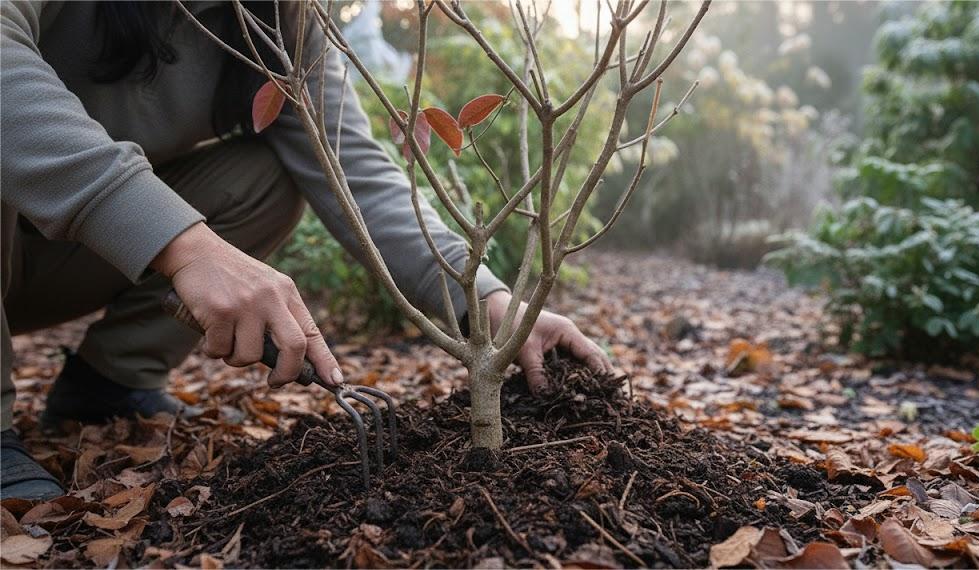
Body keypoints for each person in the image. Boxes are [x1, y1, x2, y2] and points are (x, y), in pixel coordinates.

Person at [0, 1, 612, 500]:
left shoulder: (283, 21)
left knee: (266, 177)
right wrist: (181, 243)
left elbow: (355, 174)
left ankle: (107, 382)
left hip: (51, 263)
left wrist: (485, 300)